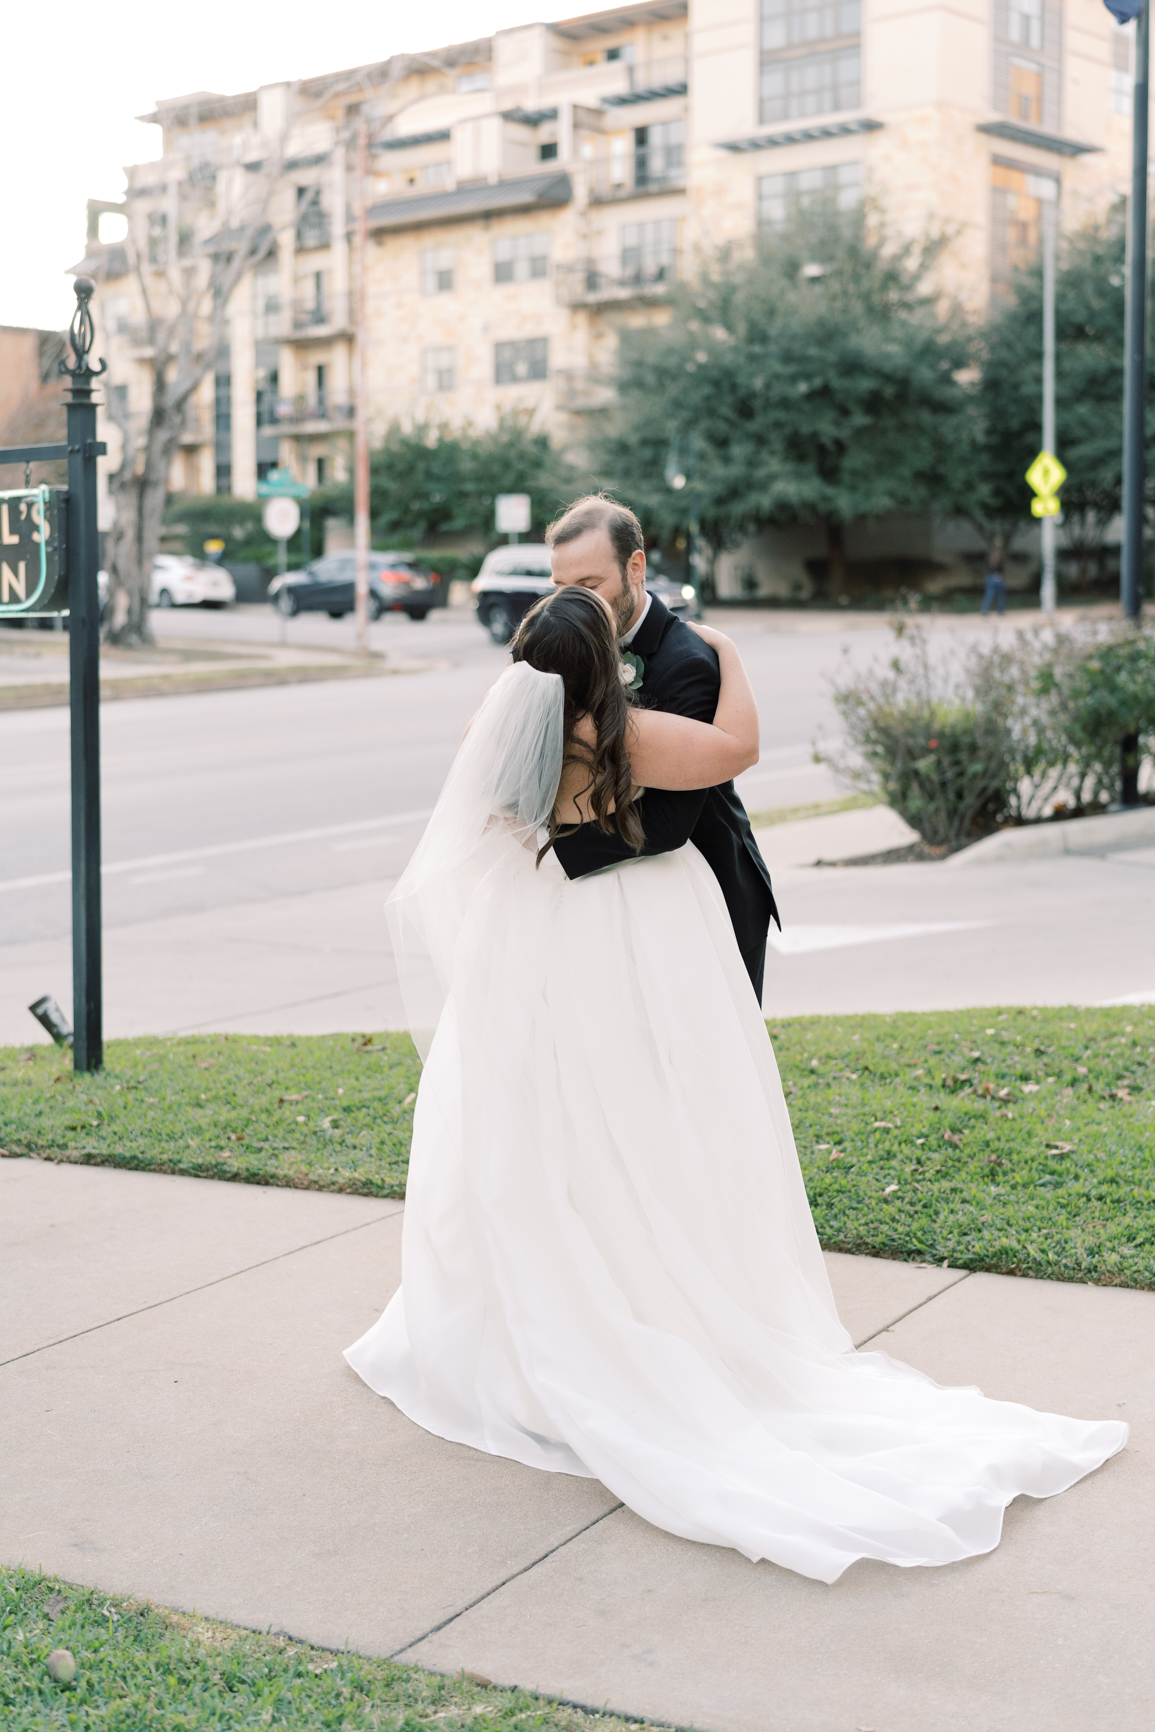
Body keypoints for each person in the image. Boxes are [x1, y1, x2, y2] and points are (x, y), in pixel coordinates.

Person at [345, 552, 1125, 1587]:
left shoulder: (502, 741)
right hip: (643, 942)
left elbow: (483, 832)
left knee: (550, 1128)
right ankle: (673, 1287)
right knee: (654, 1115)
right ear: (602, 662)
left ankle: (545, 1306)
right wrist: (731, 653)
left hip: (542, 947)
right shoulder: (635, 737)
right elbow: (740, 747)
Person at [547, 496, 778, 1000]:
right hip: (624, 896)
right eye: (561, 589)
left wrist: (548, 854)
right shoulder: (566, 645)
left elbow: (670, 822)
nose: (574, 604)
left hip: (707, 894)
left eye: (588, 587)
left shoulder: (685, 660)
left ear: (636, 567)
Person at [981, 543, 1007, 617]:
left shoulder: (1000, 557)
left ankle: (1000, 611)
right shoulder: (993, 557)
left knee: (1000, 596)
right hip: (993, 577)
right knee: (990, 595)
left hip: (997, 577)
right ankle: (985, 610)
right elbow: (992, 567)